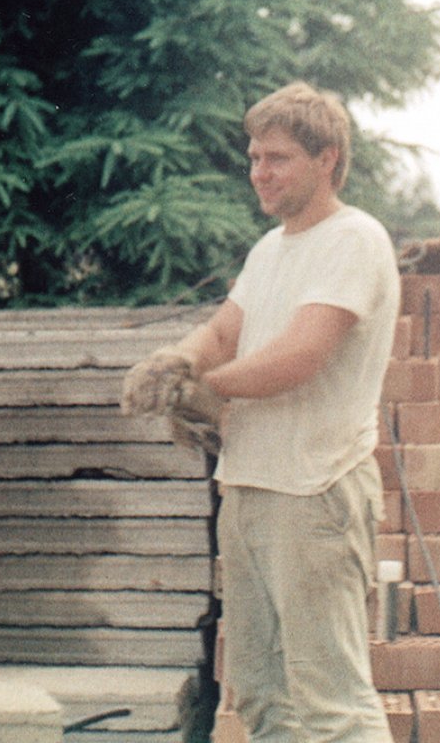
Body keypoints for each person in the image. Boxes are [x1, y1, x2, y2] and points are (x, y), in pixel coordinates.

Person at [122, 81, 400, 742]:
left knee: (333, 705)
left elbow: (300, 355)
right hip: (250, 488)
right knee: (263, 699)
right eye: (253, 157)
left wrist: (208, 389)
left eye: (277, 158)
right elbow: (224, 332)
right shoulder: (271, 249)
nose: (260, 173)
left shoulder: (354, 240)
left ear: (327, 159)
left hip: (316, 492)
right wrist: (177, 363)